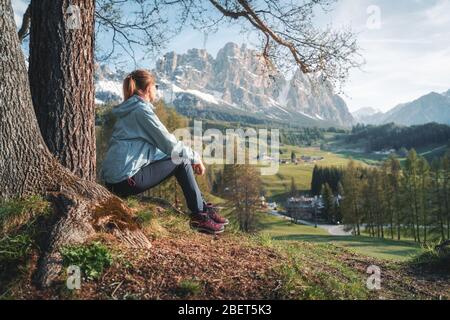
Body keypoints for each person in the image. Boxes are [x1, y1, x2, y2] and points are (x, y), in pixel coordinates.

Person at [100, 69, 228, 234]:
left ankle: (203, 209)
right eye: (155, 86)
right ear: (146, 88)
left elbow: (157, 150)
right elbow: (169, 145)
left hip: (115, 180)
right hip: (125, 180)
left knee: (179, 157)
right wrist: (195, 157)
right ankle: (199, 216)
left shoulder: (131, 109)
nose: (156, 90)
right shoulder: (141, 111)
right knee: (181, 160)